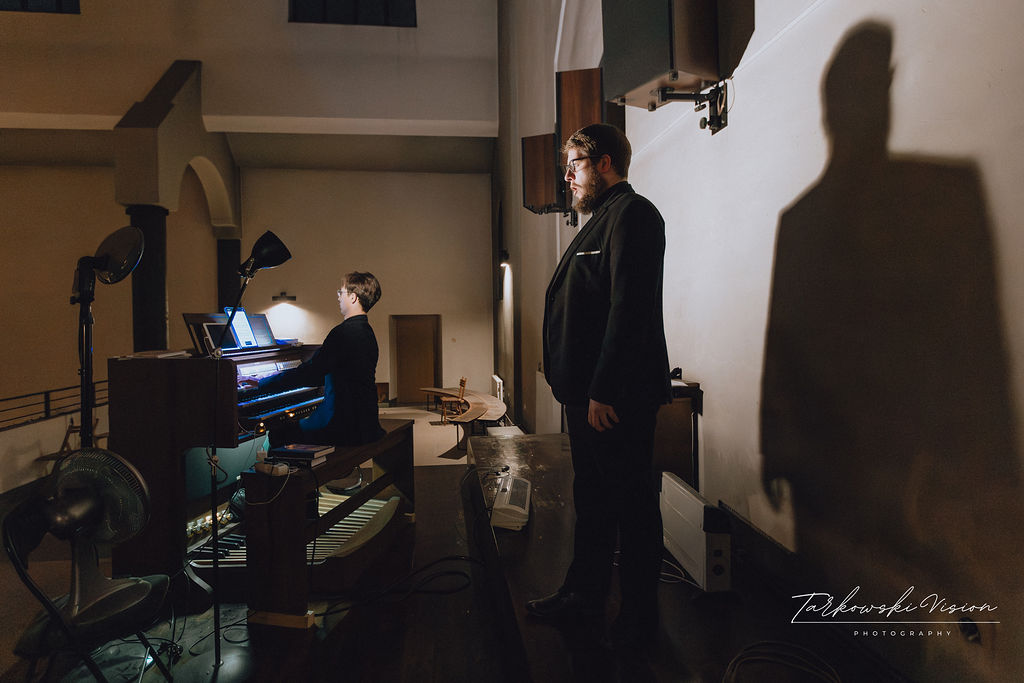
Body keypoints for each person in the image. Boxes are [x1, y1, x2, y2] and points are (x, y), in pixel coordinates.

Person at [529, 123, 671, 648]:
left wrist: (604, 390)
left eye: (575, 165)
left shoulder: (634, 214)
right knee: (592, 500)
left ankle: (639, 620)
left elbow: (628, 308)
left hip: (613, 399)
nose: (567, 177)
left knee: (631, 506)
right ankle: (583, 596)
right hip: (587, 395)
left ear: (604, 163)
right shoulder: (601, 221)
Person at [239, 271, 385, 449]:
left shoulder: (342, 333)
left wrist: (262, 382)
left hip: (342, 425)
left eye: (341, 292)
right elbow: (323, 373)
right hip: (367, 422)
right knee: (291, 425)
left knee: (278, 434)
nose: (338, 297)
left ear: (353, 297)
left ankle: (287, 469)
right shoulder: (367, 332)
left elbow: (310, 374)